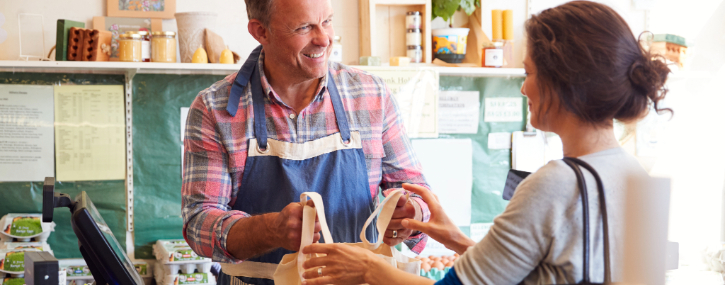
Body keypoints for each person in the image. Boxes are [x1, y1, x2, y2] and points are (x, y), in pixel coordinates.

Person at [300, 1, 671, 284]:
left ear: (564, 81)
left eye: (529, 73)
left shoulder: (555, 184)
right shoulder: (634, 174)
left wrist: (367, 267)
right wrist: (458, 240)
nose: (524, 86)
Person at [181, 0, 433, 284]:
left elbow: (419, 193)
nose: (324, 39)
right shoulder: (215, 108)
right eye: (304, 27)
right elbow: (199, 223)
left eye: (327, 21)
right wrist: (269, 230)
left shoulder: (371, 95)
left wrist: (409, 216)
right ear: (260, 31)